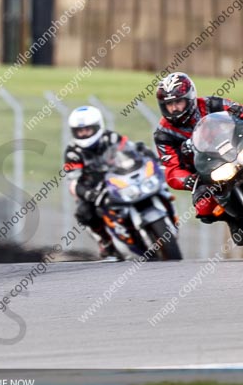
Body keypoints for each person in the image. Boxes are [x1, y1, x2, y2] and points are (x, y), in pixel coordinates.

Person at [153, 71, 243, 244]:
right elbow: (171, 168)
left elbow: (239, 114)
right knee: (204, 208)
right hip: (203, 171)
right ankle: (233, 219)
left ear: (190, 97)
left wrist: (239, 112)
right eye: (169, 104)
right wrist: (188, 180)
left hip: (234, 152)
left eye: (178, 102)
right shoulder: (163, 133)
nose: (174, 108)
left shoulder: (213, 104)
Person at [63, 105, 147, 258]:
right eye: (79, 131)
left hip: (120, 179)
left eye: (87, 130)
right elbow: (73, 181)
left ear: (97, 127)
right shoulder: (72, 151)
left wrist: (142, 153)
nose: (83, 134)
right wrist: (88, 193)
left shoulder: (111, 138)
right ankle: (105, 241)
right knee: (84, 213)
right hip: (92, 188)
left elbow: (131, 151)